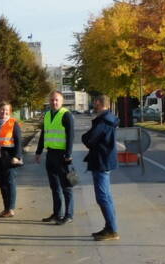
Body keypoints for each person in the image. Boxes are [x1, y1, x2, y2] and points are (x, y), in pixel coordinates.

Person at [82, 94, 120, 240]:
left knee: (102, 197)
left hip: (101, 161)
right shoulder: (108, 119)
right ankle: (110, 227)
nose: (93, 104)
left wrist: (85, 138)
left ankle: (111, 229)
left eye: (94, 102)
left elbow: (89, 139)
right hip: (104, 160)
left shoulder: (103, 121)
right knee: (107, 196)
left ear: (98, 102)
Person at [35, 91, 74, 225]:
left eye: (57, 100)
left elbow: (70, 136)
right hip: (50, 154)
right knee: (54, 187)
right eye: (52, 100)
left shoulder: (66, 115)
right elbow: (43, 135)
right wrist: (38, 151)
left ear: (61, 101)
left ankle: (68, 215)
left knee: (67, 186)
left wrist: (68, 154)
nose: (54, 102)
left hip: (62, 155)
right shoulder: (47, 115)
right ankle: (57, 214)